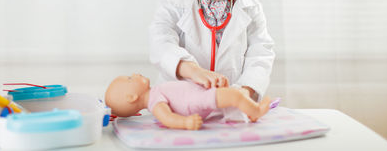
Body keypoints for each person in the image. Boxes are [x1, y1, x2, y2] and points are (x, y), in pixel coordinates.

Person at [105, 73, 271, 130]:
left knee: (236, 93)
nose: (134, 74)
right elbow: (167, 118)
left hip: (199, 94)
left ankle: (249, 111)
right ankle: (255, 111)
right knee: (236, 96)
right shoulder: (154, 102)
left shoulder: (154, 92)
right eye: (129, 78)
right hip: (197, 101)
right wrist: (185, 122)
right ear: (132, 97)